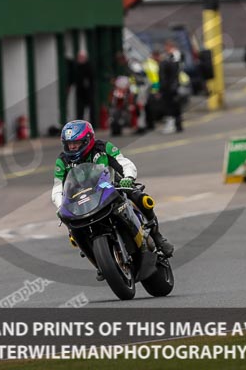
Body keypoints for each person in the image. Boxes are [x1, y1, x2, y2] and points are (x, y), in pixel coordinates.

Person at [51, 120, 174, 279]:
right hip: (82, 200)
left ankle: (157, 237)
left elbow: (124, 162)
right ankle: (99, 263)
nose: (72, 147)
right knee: (73, 232)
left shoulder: (103, 148)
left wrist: (128, 178)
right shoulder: (63, 161)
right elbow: (57, 187)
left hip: (111, 190)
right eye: (69, 144)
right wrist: (60, 205)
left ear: (88, 140)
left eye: (77, 143)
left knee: (141, 198)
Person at [159, 40, 182, 134]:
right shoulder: (173, 59)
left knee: (170, 107)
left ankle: (172, 125)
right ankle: (178, 125)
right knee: (175, 106)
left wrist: (164, 87)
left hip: (169, 87)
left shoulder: (172, 58)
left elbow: (166, 75)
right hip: (173, 86)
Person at [143, 47, 161, 130]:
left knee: (148, 107)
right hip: (151, 90)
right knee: (150, 108)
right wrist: (157, 89)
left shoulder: (148, 63)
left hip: (147, 89)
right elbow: (155, 79)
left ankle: (150, 124)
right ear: (155, 56)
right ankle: (150, 125)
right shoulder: (152, 65)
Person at [74, 50, 94, 122]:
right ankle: (80, 124)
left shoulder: (89, 66)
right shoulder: (77, 67)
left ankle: (92, 123)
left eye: (82, 57)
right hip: (80, 91)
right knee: (80, 109)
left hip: (88, 91)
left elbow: (91, 79)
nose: (80, 59)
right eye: (79, 57)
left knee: (91, 108)